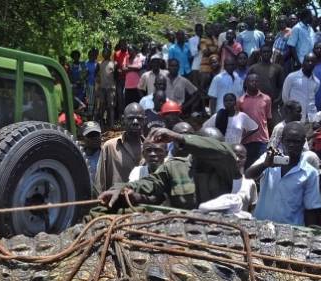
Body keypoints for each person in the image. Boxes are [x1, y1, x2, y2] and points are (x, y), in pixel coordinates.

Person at [99, 127, 239, 210]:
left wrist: (178, 137)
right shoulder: (175, 167)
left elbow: (225, 152)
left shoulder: (225, 167)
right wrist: (123, 188)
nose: (209, 155)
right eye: (204, 149)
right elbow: (150, 183)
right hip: (181, 236)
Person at [245, 121, 321, 226]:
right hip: (261, 225)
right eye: (288, 141)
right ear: (282, 141)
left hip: (290, 231)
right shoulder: (268, 159)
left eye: (296, 142)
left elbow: (311, 210)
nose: (291, 145)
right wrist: (265, 165)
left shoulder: (310, 173)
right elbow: (248, 175)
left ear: (303, 142)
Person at [94, 103, 144, 192]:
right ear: (123, 120)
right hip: (116, 203)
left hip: (144, 204)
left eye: (139, 118)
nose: (135, 122)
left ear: (145, 120)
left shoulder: (151, 149)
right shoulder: (110, 147)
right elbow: (100, 184)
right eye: (131, 118)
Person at [237, 73, 272, 167]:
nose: (254, 83)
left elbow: (268, 119)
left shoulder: (266, 99)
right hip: (246, 140)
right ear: (246, 83)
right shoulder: (240, 101)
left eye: (256, 81)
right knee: (247, 167)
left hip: (262, 139)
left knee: (262, 166)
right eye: (251, 81)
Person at [249, 44, 285, 126]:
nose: (266, 54)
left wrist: (278, 99)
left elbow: (282, 86)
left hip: (272, 104)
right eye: (264, 52)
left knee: (272, 125)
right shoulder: (253, 68)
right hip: (255, 103)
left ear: (271, 53)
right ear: (260, 53)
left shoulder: (278, 68)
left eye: (268, 52)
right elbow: (246, 86)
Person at [282, 53, 320, 122]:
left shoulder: (317, 82)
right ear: (303, 62)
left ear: (315, 64)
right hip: (294, 119)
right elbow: (285, 97)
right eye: (307, 61)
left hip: (310, 119)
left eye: (312, 61)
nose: (310, 63)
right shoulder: (292, 77)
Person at [95, 48, 117, 130]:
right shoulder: (99, 64)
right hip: (102, 88)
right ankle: (102, 124)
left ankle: (111, 124)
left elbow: (116, 77)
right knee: (102, 106)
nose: (105, 54)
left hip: (111, 88)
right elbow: (97, 76)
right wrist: (97, 88)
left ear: (109, 53)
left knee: (111, 106)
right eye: (103, 52)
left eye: (106, 52)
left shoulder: (113, 63)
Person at [114, 39, 129, 117]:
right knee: (119, 97)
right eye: (122, 44)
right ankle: (120, 115)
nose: (123, 45)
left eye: (124, 44)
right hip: (119, 79)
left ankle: (126, 113)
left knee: (125, 96)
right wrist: (118, 69)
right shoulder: (116, 54)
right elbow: (115, 66)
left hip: (127, 79)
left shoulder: (129, 53)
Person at [189, 23, 204, 89]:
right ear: (195, 31)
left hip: (204, 64)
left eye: (201, 30)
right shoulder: (191, 40)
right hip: (196, 65)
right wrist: (198, 46)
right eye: (198, 30)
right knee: (196, 85)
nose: (199, 32)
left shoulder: (205, 39)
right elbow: (193, 53)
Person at [85, 48, 99, 117]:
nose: (92, 56)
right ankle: (90, 116)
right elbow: (84, 75)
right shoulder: (85, 64)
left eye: (93, 55)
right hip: (89, 84)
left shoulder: (97, 64)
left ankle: (96, 116)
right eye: (90, 55)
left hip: (97, 85)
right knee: (90, 101)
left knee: (96, 101)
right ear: (88, 55)